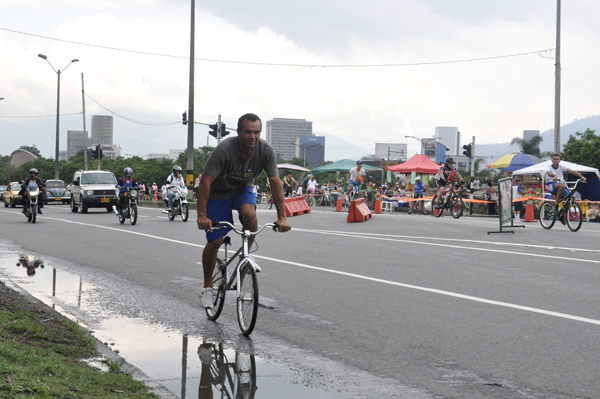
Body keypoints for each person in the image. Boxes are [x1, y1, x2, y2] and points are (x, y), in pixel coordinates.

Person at [196, 113, 291, 309]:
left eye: (256, 132)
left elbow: (275, 182)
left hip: (242, 189)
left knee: (250, 215)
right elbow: (205, 181)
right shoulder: (224, 150)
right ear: (238, 131)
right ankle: (207, 286)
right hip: (218, 193)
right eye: (247, 131)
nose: (252, 136)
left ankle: (246, 256)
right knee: (215, 241)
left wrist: (282, 217)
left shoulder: (266, 151)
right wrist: (201, 216)